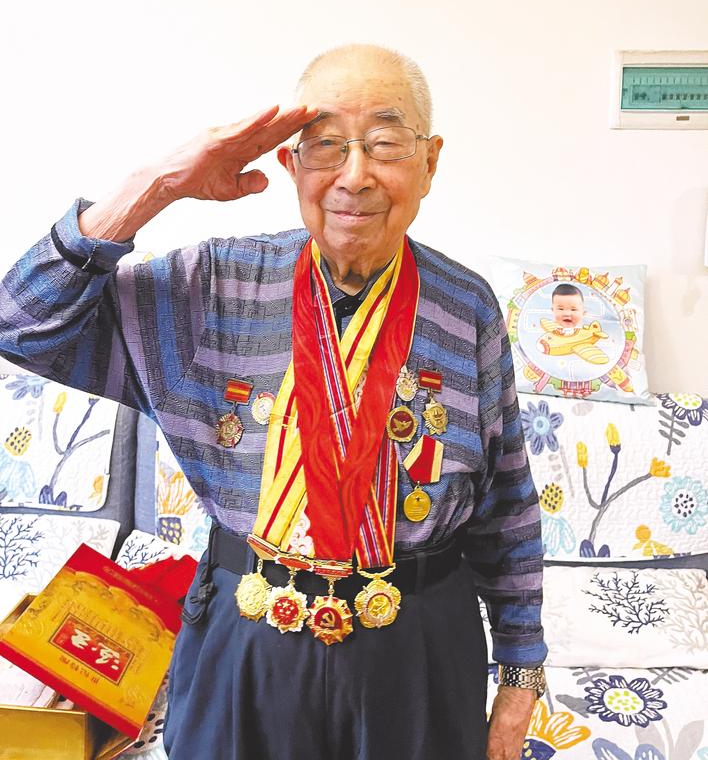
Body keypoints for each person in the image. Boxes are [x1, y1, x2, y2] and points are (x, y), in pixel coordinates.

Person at [0, 43, 547, 760]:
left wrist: (521, 673)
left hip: (418, 647)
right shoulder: (213, 286)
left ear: (430, 161)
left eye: (385, 143)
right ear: (291, 164)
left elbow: (506, 503)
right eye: (326, 146)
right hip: (249, 635)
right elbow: (21, 326)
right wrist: (156, 185)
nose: (355, 174)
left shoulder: (466, 304)